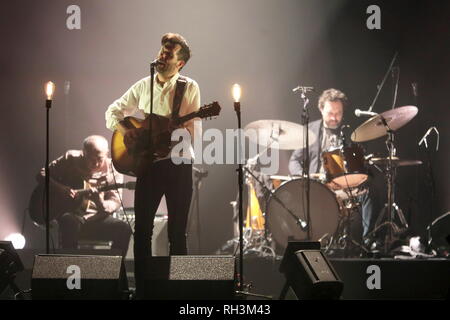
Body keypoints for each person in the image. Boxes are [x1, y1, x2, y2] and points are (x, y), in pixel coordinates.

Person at [105, 33, 201, 297]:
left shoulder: (188, 87)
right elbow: (112, 111)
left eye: (168, 54)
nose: (162, 56)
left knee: (177, 231)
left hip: (178, 163)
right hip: (148, 164)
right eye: (162, 51)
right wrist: (128, 131)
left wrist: (170, 138)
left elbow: (194, 132)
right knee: (143, 228)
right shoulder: (142, 85)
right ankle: (143, 290)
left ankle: (179, 291)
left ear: (179, 63)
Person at [288, 88, 374, 247]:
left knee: (367, 193)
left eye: (338, 113)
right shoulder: (310, 131)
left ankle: (368, 242)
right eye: (330, 113)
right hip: (317, 186)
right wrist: (304, 178)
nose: (335, 117)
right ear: (321, 109)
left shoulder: (351, 133)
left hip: (342, 186)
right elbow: (294, 161)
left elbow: (358, 165)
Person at [37, 135, 132, 256]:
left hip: (97, 218)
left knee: (124, 229)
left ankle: (113, 269)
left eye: (99, 158)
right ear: (83, 153)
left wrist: (100, 202)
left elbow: (115, 202)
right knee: (68, 221)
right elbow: (41, 174)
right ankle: (70, 267)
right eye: (90, 158)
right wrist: (61, 189)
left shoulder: (114, 169)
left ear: (107, 154)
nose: (95, 163)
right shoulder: (71, 158)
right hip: (73, 216)